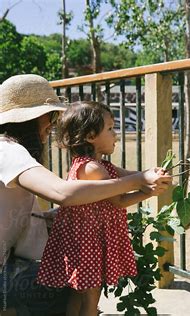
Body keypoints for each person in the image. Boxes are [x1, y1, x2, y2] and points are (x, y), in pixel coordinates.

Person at [0, 74, 172, 316]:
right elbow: (62, 193)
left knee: (74, 291)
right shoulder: (9, 151)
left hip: (8, 263)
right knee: (64, 292)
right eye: (50, 117)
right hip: (4, 274)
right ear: (34, 118)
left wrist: (56, 217)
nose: (52, 124)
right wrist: (138, 180)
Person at [37, 100, 169, 315]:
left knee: (79, 294)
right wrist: (147, 192)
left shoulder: (96, 164)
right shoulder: (92, 169)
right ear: (90, 136)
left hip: (85, 240)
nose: (115, 134)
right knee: (91, 297)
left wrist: (149, 173)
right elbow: (119, 201)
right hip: (89, 242)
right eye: (109, 128)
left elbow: (128, 175)